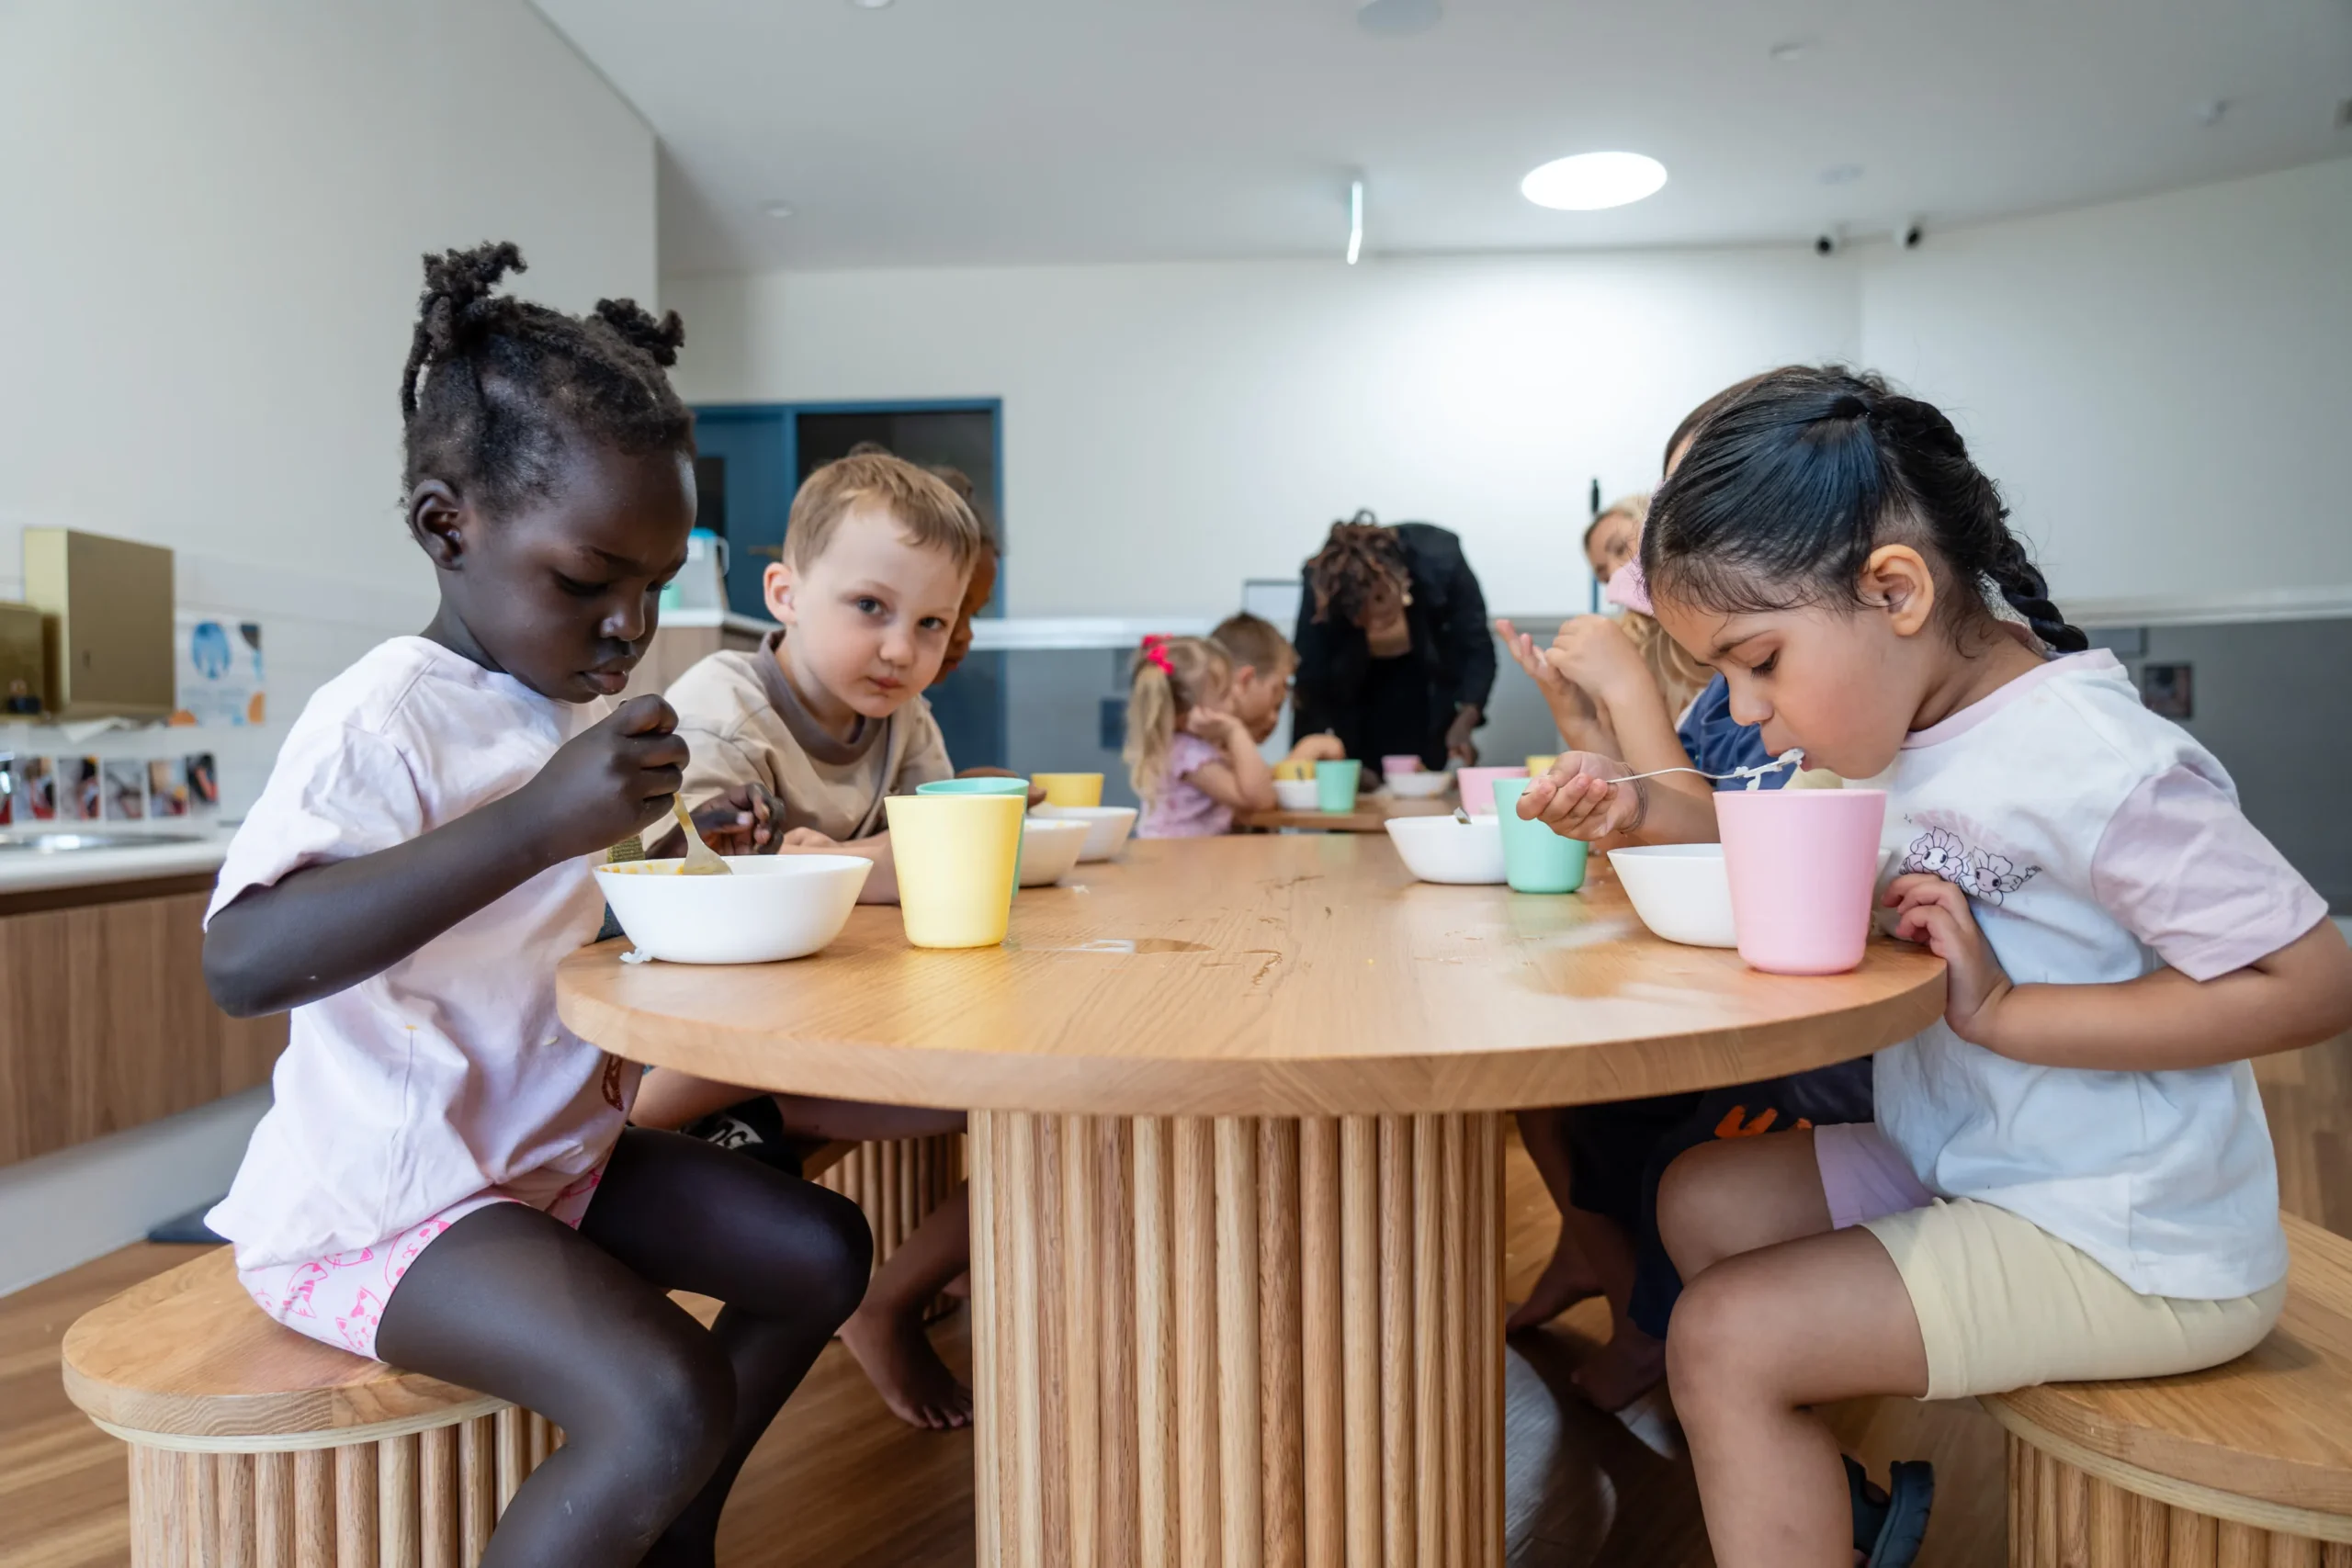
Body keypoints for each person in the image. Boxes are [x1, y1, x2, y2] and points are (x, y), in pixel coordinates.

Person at [1553, 365, 2352, 1568]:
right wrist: (1626, 803)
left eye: (1759, 659)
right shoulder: (1901, 729)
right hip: (1975, 1158)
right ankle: (1829, 1506)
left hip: (2127, 1232)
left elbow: (2311, 975)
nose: (1748, 708)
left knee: (1725, 1337)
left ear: (1896, 588)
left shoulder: (2090, 758)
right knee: (1697, 1198)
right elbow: (1745, 832)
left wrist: (2014, 1011)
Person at [198, 243, 872, 1568]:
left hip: (544, 1157)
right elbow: (244, 958)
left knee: (819, 1245)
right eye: (587, 581)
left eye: (656, 586)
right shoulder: (383, 714)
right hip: (392, 1204)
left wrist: (684, 850)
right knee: (662, 1393)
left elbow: (544, 933)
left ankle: (673, 1538)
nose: (627, 623)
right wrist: (534, 823)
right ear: (450, 524)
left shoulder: (553, 705)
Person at [634, 449, 989, 1432]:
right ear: (784, 594)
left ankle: (886, 1299)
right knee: (1012, 1098)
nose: (901, 650)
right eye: (870, 608)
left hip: (824, 1020)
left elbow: (941, 855)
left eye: (931, 625)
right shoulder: (721, 702)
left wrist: (828, 859)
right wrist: (860, 861)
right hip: (701, 1039)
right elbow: (700, 882)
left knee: (1027, 1103)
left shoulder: (902, 718)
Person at [1291, 512, 1496, 771]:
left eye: (1379, 601)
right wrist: (1330, 765)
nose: (1373, 620)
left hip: (1426, 695)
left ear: (1403, 579)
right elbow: (1310, 681)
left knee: (1429, 770)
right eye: (1358, 612)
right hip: (1359, 700)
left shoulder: (1442, 561)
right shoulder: (1322, 587)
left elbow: (1477, 651)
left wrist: (1464, 721)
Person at [1125, 634, 1275, 837]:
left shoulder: (1190, 748)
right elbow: (1260, 799)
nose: (1237, 696)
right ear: (1188, 715)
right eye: (1225, 694)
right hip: (1174, 862)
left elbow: (1261, 780)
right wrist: (1235, 730)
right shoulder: (1187, 754)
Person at [1210, 610, 1344, 762]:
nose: (1274, 719)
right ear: (1245, 681)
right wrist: (1300, 758)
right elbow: (1252, 787)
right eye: (1275, 701)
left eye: (1279, 708)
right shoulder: (1204, 747)